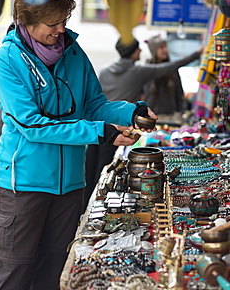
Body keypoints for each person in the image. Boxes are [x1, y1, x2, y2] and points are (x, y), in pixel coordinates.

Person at [0, 0, 157, 290]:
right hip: (24, 186)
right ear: (27, 21)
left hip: (71, 187)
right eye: (52, 24)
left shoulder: (73, 51)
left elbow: (94, 104)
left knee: (56, 274)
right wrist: (100, 133)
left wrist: (130, 113)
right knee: (14, 276)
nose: (60, 30)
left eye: (64, 21)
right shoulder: (6, 59)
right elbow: (33, 125)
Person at [84, 37, 203, 210]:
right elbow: (169, 67)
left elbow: (97, 102)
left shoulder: (104, 71)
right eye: (138, 48)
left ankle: (86, 209)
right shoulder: (137, 71)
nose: (140, 51)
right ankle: (97, 208)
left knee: (91, 171)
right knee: (106, 171)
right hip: (116, 130)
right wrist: (197, 53)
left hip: (96, 127)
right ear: (133, 52)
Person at [143, 34, 187, 121]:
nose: (165, 50)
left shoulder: (171, 69)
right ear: (154, 50)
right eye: (161, 48)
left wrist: (180, 112)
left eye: (165, 47)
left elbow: (179, 92)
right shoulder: (146, 69)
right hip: (150, 116)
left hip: (170, 116)